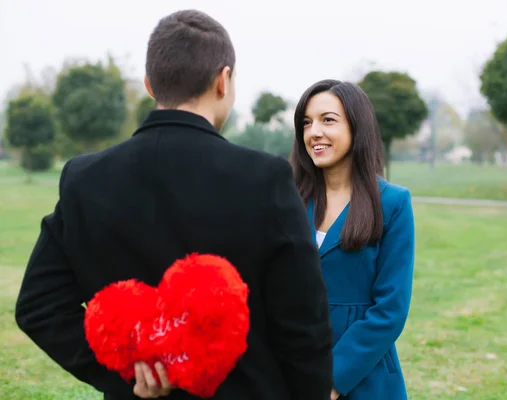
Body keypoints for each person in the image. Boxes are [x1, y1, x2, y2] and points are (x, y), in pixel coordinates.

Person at [14, 10, 333, 400]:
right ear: (224, 80)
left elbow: (38, 306)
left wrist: (128, 375)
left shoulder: (84, 178)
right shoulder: (265, 178)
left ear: (150, 84)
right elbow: (304, 328)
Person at [290, 79, 416, 400]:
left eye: (327, 120)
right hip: (294, 370)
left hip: (365, 377)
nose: (313, 131)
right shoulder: (288, 200)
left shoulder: (393, 203)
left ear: (357, 127)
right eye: (306, 122)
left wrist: (332, 381)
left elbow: (391, 309)